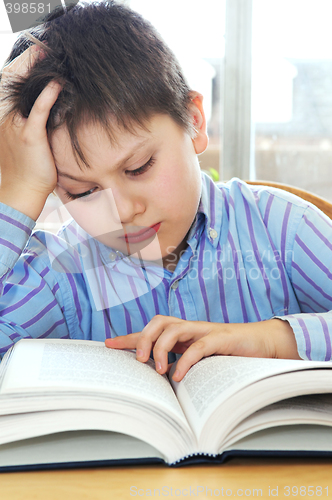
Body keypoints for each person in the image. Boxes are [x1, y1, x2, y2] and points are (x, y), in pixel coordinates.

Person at [0, 2, 332, 382]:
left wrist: (273, 339)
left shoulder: (282, 226)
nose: (123, 212)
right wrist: (17, 191)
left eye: (139, 167)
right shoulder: (62, 272)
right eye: (83, 192)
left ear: (194, 121)